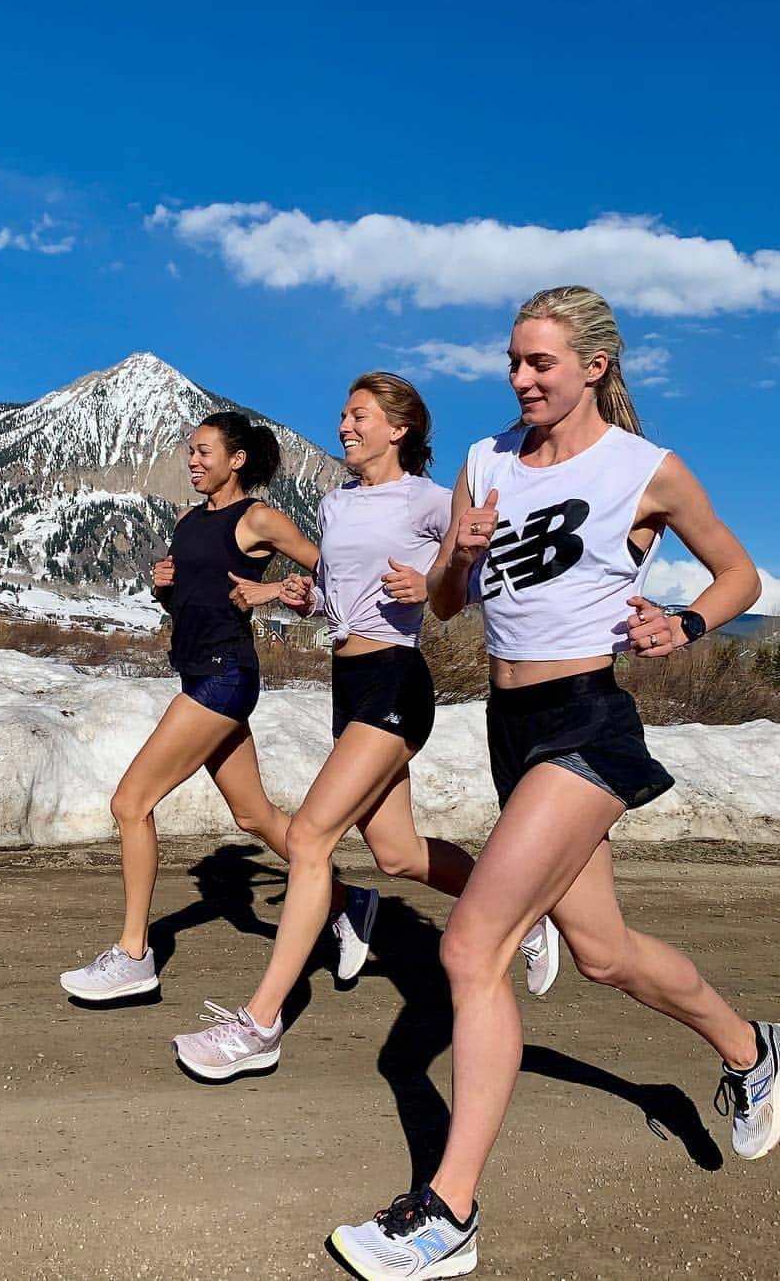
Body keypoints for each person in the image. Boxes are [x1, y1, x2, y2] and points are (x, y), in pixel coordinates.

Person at [330, 287, 777, 1281]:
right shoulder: (486, 465)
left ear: (593, 368)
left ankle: (448, 1213)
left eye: (540, 363)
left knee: (472, 947)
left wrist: (689, 623)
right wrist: (462, 550)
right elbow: (445, 603)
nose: (521, 379)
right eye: (513, 362)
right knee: (606, 955)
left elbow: (739, 574)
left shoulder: (642, 470)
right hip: (510, 724)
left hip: (588, 721)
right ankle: (752, 1049)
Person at [171, 374, 559, 1081]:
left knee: (312, 837)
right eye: (344, 414)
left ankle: (260, 1025)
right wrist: (290, 593)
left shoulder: (432, 501)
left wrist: (441, 580)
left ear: (399, 428)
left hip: (397, 680)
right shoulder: (335, 502)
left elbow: (478, 572)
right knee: (400, 854)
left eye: (359, 416)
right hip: (348, 683)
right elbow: (336, 593)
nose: (345, 426)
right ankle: (525, 912)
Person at [59, 411, 370, 1001]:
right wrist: (164, 590)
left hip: (226, 677)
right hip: (199, 673)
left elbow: (330, 570)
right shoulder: (185, 520)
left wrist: (276, 590)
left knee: (130, 803)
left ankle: (134, 956)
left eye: (205, 452)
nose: (194, 461)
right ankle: (347, 900)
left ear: (237, 460)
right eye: (191, 452)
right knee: (253, 817)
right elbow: (192, 605)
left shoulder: (258, 519)